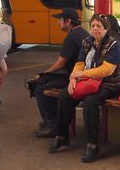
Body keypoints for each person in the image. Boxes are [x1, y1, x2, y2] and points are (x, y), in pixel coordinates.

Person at [48, 14, 120, 163]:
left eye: (99, 26)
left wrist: (81, 74)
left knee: (90, 102)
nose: (95, 29)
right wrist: (73, 79)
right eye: (93, 26)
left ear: (106, 29)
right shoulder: (87, 42)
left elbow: (106, 70)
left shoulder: (114, 45)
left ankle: (92, 145)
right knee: (65, 95)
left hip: (108, 84)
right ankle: (61, 136)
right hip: (87, 81)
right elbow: (80, 63)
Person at [33, 8, 91, 137]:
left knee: (39, 87)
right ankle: (55, 119)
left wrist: (43, 74)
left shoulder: (71, 38)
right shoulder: (82, 32)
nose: (58, 23)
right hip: (82, 74)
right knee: (47, 83)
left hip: (74, 76)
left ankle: (53, 125)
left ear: (68, 21)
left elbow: (60, 64)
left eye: (60, 20)